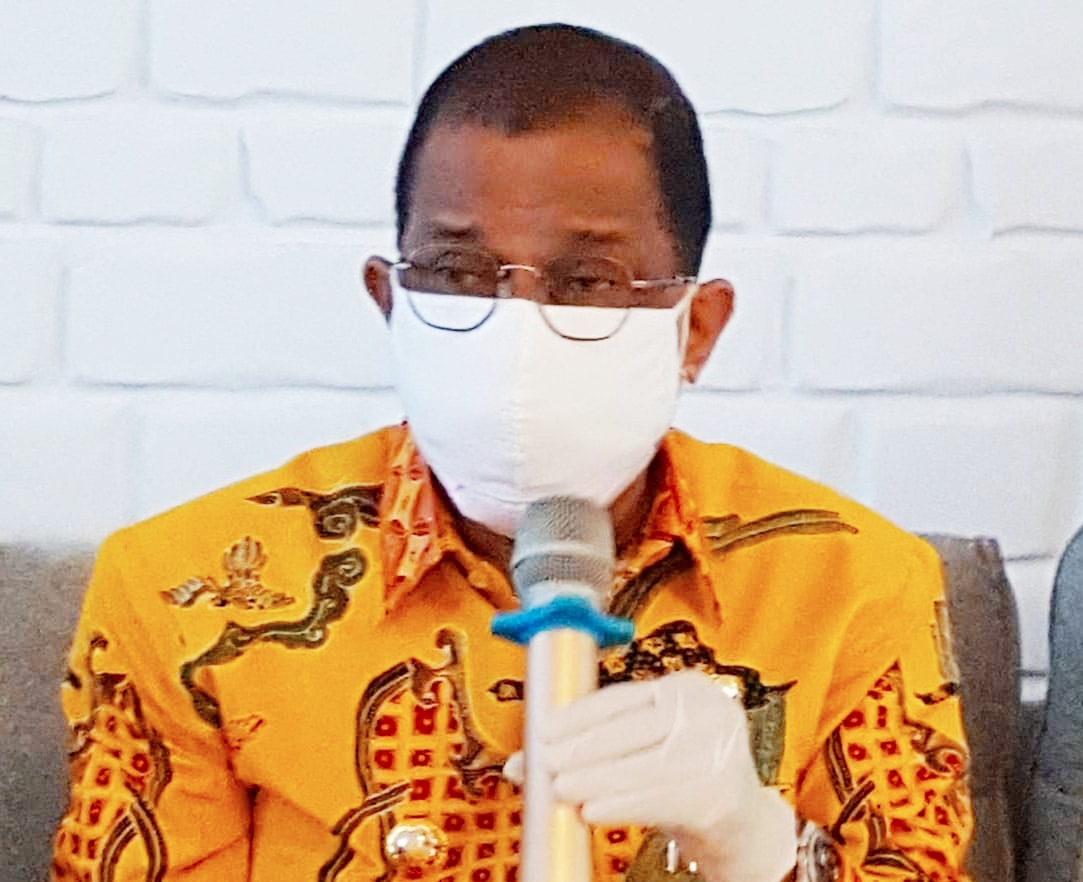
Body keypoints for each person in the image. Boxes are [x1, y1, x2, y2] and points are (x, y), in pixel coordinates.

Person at [49, 23, 972, 882]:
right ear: (390, 303)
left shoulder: (851, 587)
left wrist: (753, 845)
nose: (516, 333)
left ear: (695, 328)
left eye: (588, 280)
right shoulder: (185, 594)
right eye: (456, 273)